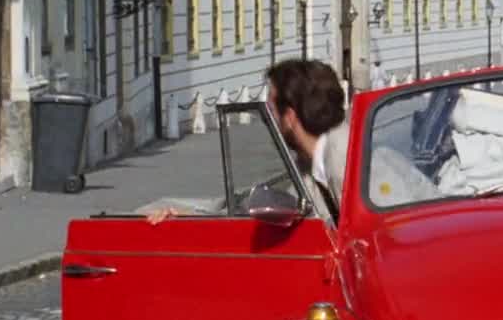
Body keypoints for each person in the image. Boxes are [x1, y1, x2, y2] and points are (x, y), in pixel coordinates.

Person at [140, 58, 349, 223]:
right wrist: (189, 216)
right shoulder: (310, 165)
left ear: (290, 118)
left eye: (271, 111)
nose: (269, 121)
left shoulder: (344, 155)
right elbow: (276, 211)